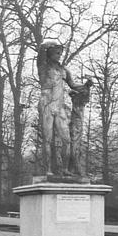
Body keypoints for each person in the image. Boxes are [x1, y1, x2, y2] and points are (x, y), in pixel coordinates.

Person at [36, 40, 87, 176]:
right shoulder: (43, 67)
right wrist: (51, 43)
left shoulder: (63, 70)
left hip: (59, 107)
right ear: (50, 53)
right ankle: (48, 170)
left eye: (60, 53)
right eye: (56, 52)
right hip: (46, 104)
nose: (59, 55)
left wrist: (86, 85)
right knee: (47, 138)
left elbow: (73, 85)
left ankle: (65, 169)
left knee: (67, 140)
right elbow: (41, 51)